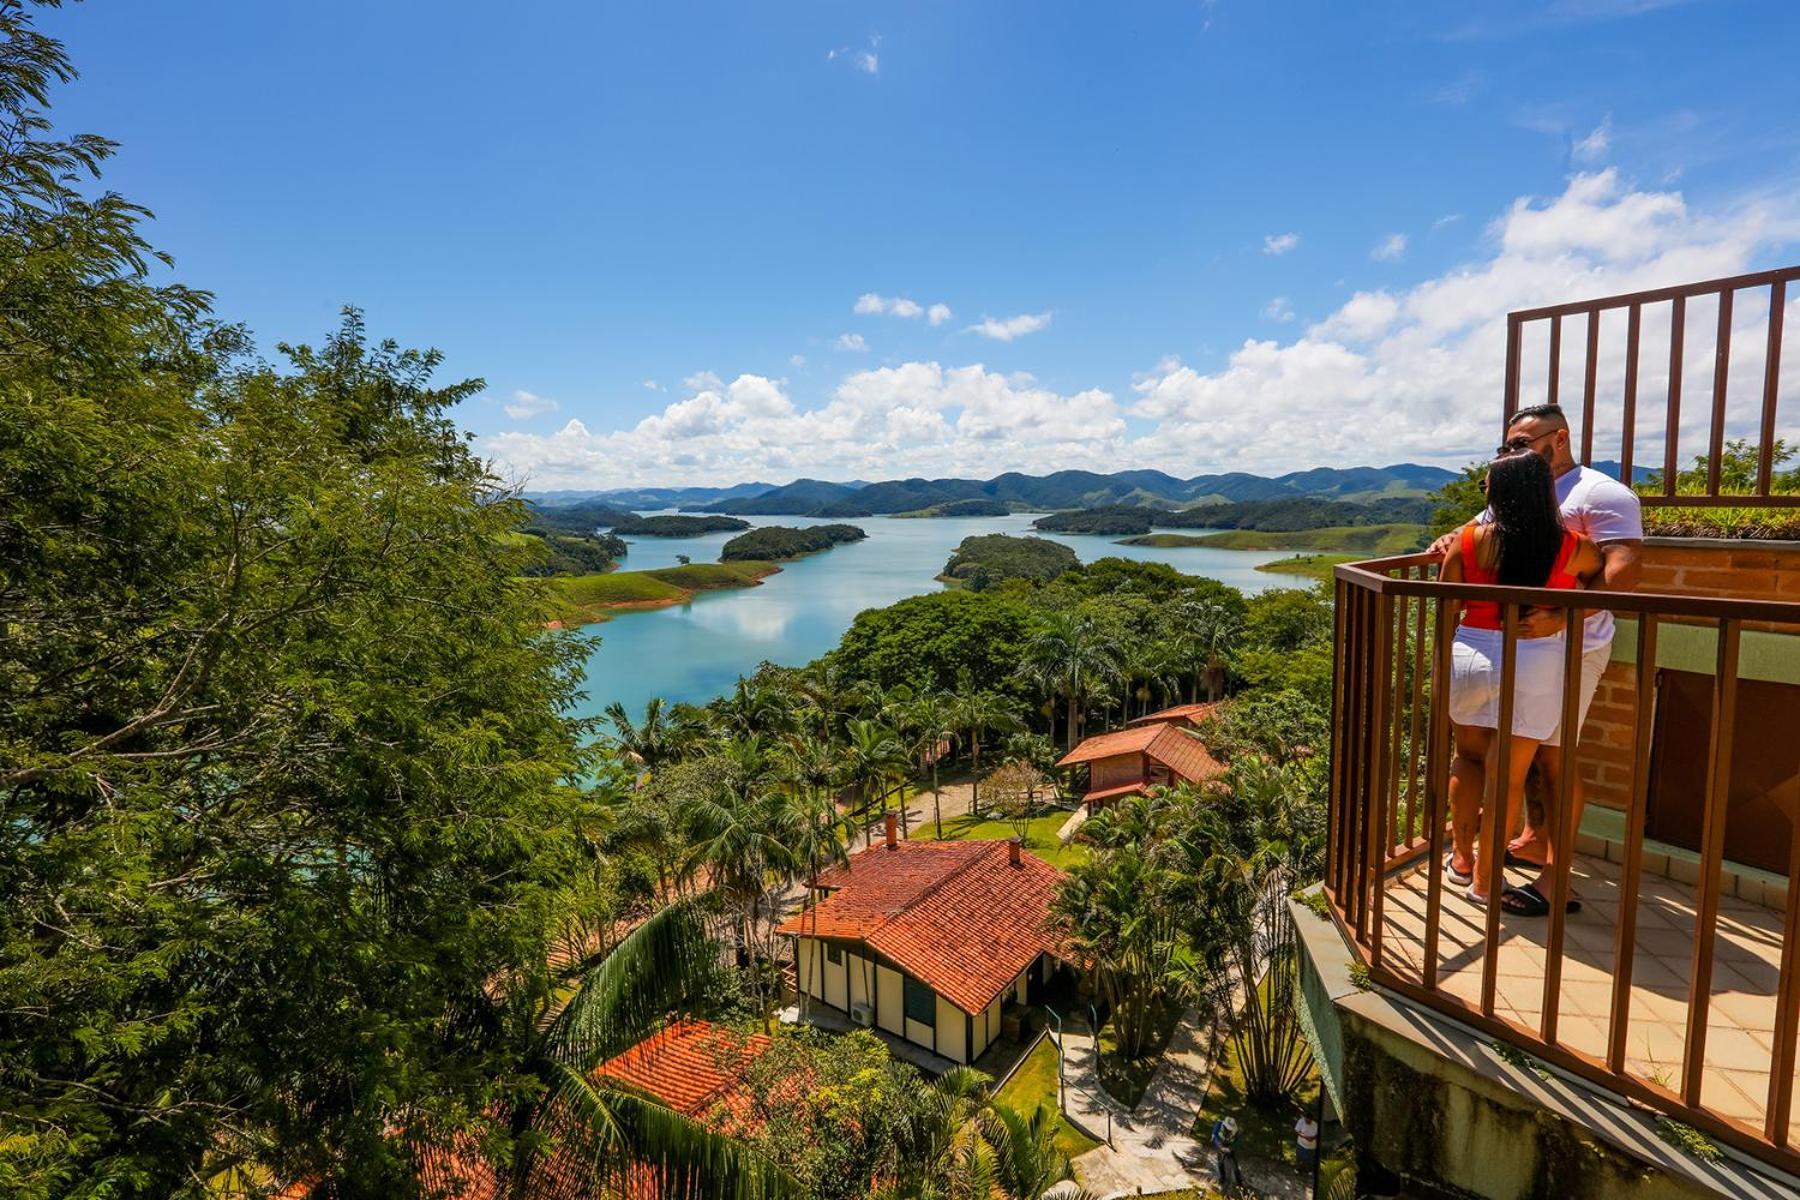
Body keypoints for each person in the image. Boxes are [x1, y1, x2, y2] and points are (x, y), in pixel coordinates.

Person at [1442, 452, 1604, 914]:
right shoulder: (1571, 546)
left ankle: (1463, 858)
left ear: (1501, 491)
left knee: (1467, 758)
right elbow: (1602, 578)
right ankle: (1487, 886)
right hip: (1534, 658)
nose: (1484, 491)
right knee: (1508, 778)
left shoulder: (1471, 541)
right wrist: (1559, 613)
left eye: (1487, 484)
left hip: (1472, 650)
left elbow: (1448, 597)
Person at [1211, 1115, 1242, 1193]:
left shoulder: (1236, 1132)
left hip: (1230, 1148)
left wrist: (1230, 1149)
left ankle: (1240, 1184)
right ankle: (1222, 1177)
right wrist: (1221, 1146)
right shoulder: (1218, 1125)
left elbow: (1238, 1142)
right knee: (1220, 1163)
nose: (1228, 1130)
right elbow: (1215, 1136)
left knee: (1235, 1166)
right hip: (1221, 1146)